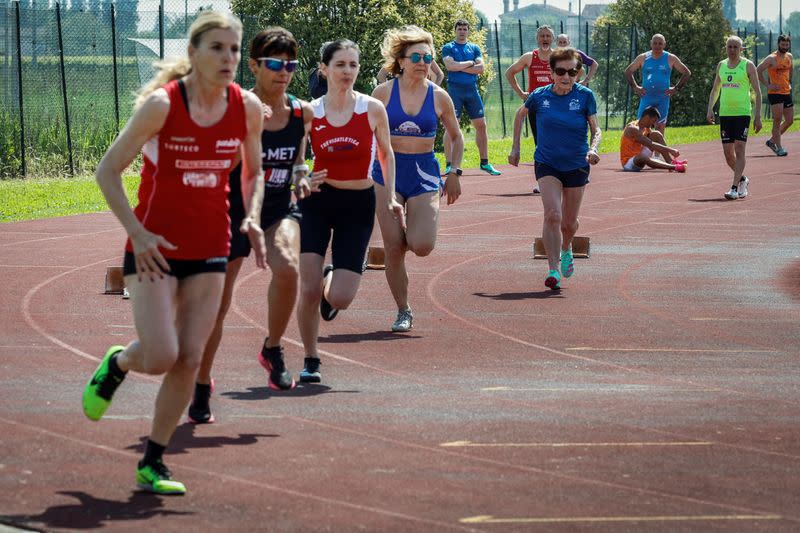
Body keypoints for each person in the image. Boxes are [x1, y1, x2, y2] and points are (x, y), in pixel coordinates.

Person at [82, 11, 265, 495]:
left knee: (189, 356)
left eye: (233, 49)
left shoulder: (246, 107)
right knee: (161, 353)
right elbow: (107, 171)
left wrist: (251, 216)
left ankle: (153, 462)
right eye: (216, 49)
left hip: (211, 246)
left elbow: (253, 171)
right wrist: (138, 234)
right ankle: (119, 363)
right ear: (194, 55)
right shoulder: (162, 107)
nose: (228, 58)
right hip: (154, 248)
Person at [187, 27, 320, 425]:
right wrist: (243, 129)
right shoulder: (234, 108)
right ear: (254, 66)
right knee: (218, 306)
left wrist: (300, 174)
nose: (284, 72)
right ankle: (202, 383)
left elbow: (298, 158)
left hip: (278, 208)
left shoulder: (301, 113)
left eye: (291, 65)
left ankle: (273, 347)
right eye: (275, 64)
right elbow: (214, 160)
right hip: (230, 212)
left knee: (289, 268)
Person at [296, 39, 403, 382]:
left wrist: (390, 197)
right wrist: (302, 178)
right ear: (324, 69)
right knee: (308, 289)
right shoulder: (309, 112)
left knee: (339, 297)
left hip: (358, 203)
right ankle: (311, 359)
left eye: (353, 65)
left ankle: (332, 278)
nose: (347, 71)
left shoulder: (372, 109)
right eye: (340, 64)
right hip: (317, 202)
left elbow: (386, 153)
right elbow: (298, 162)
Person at [372, 25, 464, 332]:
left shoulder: (439, 97)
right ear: (400, 60)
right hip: (388, 172)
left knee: (421, 245)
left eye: (428, 56)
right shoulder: (382, 94)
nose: (423, 62)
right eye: (416, 56)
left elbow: (456, 136)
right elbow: (365, 135)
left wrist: (453, 171)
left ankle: (412, 233)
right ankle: (403, 310)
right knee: (393, 247)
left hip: (424, 171)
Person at [508, 47, 601, 290]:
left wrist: (593, 149)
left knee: (569, 224)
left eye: (572, 71)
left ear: (578, 73)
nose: (566, 77)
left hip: (576, 165)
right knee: (553, 215)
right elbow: (520, 115)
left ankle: (567, 247)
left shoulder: (585, 96)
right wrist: (515, 147)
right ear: (551, 72)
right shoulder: (539, 96)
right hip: (547, 163)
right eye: (561, 71)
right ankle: (553, 269)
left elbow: (597, 129)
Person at [442, 19, 501, 176]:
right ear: (455, 30)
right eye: (459, 28)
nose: (462, 31)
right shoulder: (449, 47)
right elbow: (449, 66)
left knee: (481, 125)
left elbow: (481, 68)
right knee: (452, 126)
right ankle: (449, 165)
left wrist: (459, 66)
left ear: (468, 31)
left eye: (465, 29)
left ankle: (485, 163)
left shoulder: (474, 48)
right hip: (455, 91)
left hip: (471, 91)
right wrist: (469, 63)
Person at [706, 35, 762, 200]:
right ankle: (743, 179)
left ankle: (734, 188)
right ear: (726, 48)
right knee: (728, 154)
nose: (732, 50)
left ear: (741, 49)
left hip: (743, 113)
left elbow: (758, 93)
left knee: (739, 148)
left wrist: (757, 116)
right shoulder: (721, 66)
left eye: (735, 47)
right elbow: (715, 89)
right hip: (725, 114)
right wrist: (710, 109)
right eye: (729, 47)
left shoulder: (747, 65)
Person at [505, 25, 556, 194]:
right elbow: (509, 73)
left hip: (557, 105)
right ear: (537, 39)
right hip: (536, 106)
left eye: (548, 36)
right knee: (541, 144)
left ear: (552, 39)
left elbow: (577, 70)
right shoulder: (529, 57)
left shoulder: (558, 57)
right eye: (542, 36)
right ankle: (543, 182)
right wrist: (521, 93)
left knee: (559, 141)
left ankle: (563, 179)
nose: (545, 39)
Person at [625, 34, 692, 135]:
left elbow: (687, 73)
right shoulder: (643, 58)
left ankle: (658, 151)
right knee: (641, 126)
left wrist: (676, 88)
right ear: (651, 43)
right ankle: (641, 150)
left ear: (664, 44)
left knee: (660, 128)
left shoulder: (670, 58)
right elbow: (628, 71)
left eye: (660, 43)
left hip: (662, 98)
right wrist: (635, 87)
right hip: (647, 97)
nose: (657, 46)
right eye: (655, 43)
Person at [757, 34, 793, 156]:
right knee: (777, 120)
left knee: (789, 120)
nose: (785, 47)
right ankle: (779, 147)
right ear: (778, 44)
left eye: (787, 44)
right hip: (775, 93)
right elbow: (758, 70)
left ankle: (772, 141)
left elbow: (790, 70)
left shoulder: (789, 57)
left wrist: (789, 83)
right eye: (782, 44)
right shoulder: (771, 58)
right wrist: (767, 85)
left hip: (786, 91)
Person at [620, 106, 687, 172]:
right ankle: (674, 167)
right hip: (628, 163)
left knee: (656, 134)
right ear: (647, 117)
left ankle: (670, 162)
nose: (654, 124)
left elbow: (654, 142)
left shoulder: (646, 129)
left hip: (639, 156)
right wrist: (670, 149)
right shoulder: (633, 128)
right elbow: (651, 144)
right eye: (654, 121)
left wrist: (668, 150)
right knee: (642, 156)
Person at [376, 59, 445, 86]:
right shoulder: (398, 57)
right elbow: (381, 75)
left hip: (421, 94)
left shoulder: (426, 56)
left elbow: (440, 74)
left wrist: (433, 90)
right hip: (402, 95)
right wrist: (389, 91)